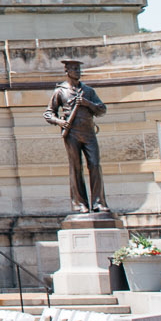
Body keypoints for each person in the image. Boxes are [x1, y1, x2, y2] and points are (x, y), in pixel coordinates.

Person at [43, 59, 109, 214]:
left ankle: (98, 202)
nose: (78, 72)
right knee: (76, 167)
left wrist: (88, 104)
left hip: (88, 132)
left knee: (94, 165)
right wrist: (59, 121)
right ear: (67, 71)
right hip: (71, 133)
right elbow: (48, 113)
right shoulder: (60, 91)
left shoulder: (88, 91)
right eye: (74, 69)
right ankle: (80, 204)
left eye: (79, 69)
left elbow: (102, 109)